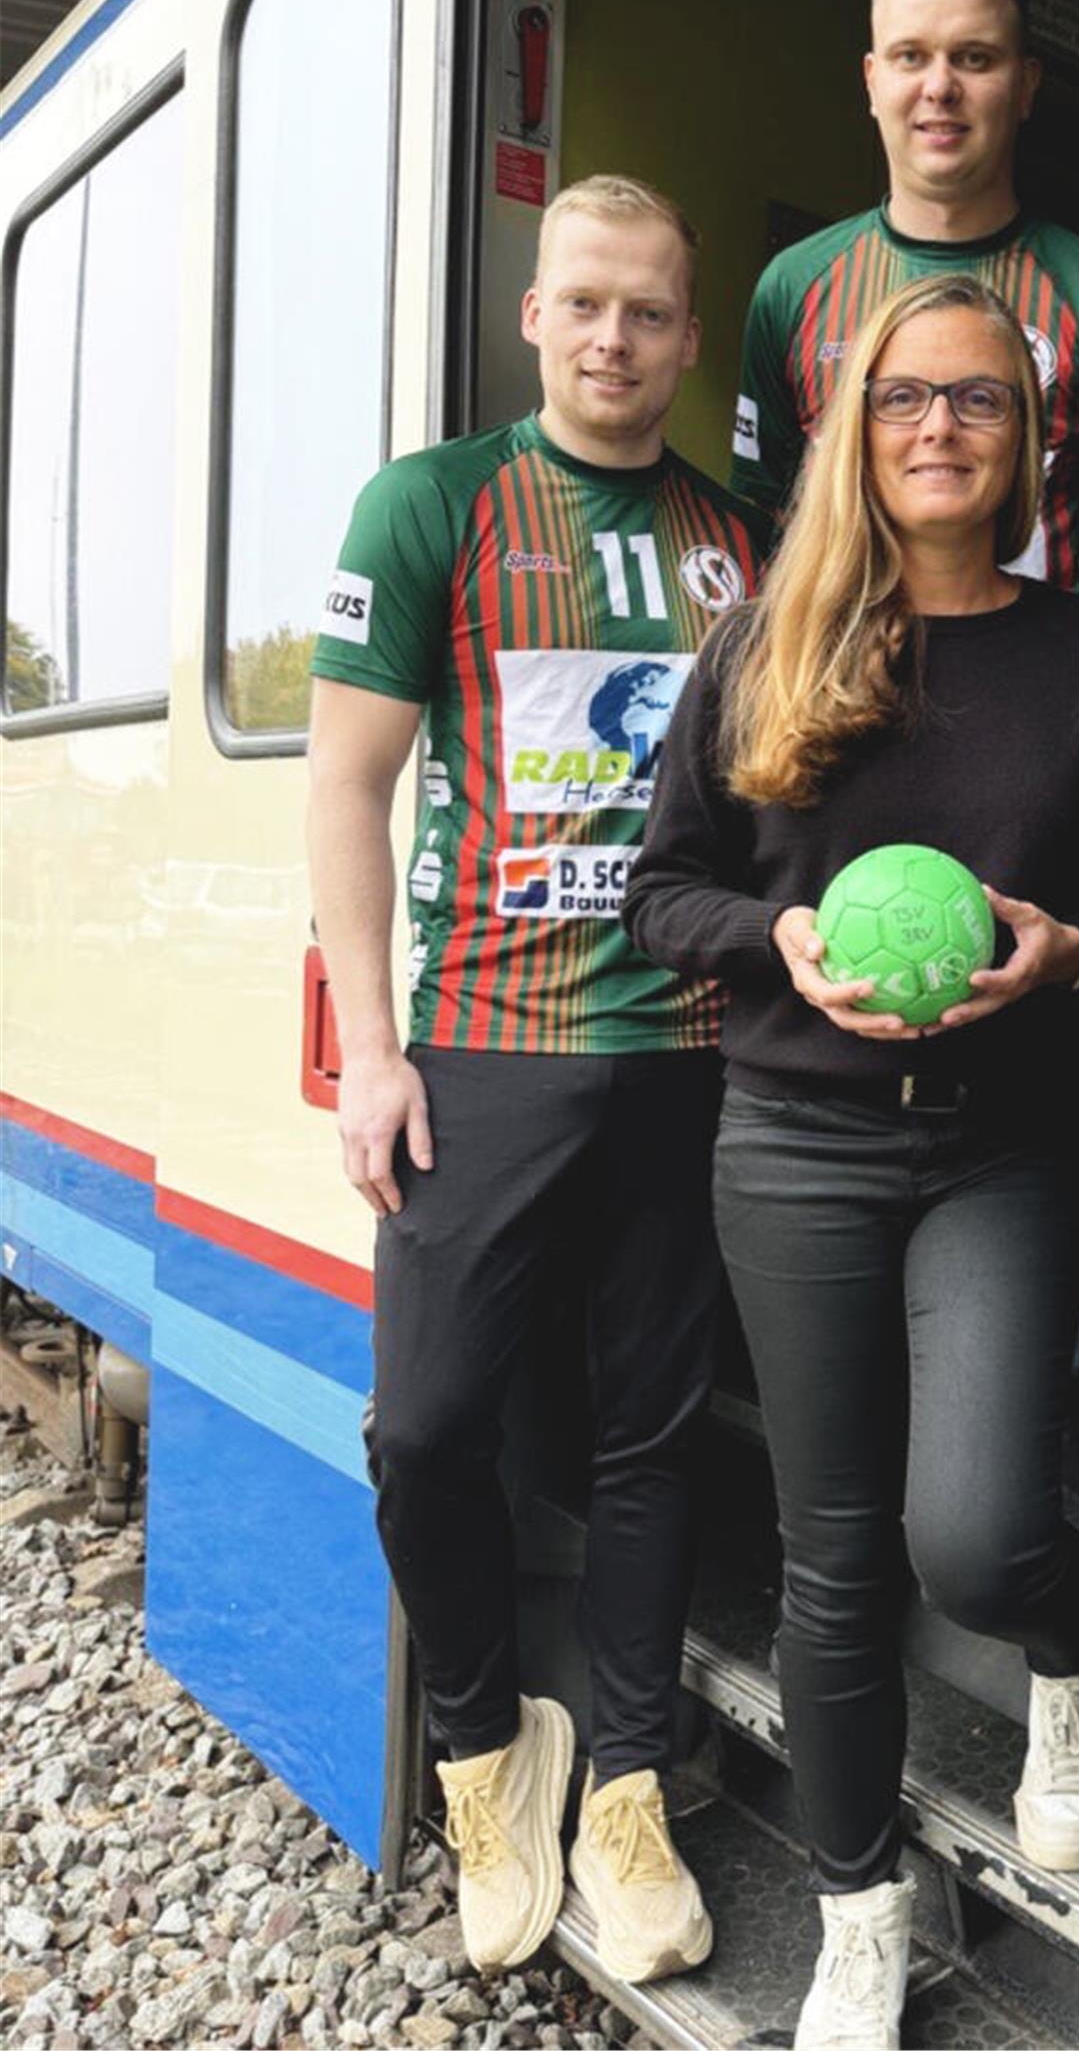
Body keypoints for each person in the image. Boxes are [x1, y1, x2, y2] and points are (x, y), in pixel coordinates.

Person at [629, 272, 1079, 2051]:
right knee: (831, 1557)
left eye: (981, 402)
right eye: (905, 397)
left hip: (1008, 1146)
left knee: (982, 1529)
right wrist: (774, 941)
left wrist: (1068, 951)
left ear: (1028, 446)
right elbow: (663, 892)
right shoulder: (768, 642)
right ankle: (861, 1907)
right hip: (791, 1147)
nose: (940, 426)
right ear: (857, 433)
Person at [307, 176, 771, 1984]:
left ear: (686, 330)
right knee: (425, 1435)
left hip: (687, 1051)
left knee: (650, 1445)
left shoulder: (741, 536)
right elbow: (349, 783)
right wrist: (368, 1050)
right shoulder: (437, 504)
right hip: (481, 1051)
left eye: (650, 312)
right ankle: (491, 1758)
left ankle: (634, 1790)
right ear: (532, 314)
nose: (613, 340)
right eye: (583, 303)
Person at [731, 0, 1079, 1487]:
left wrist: (1051, 736)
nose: (941, 88)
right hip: (849, 779)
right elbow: (759, 546)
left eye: (974, 58)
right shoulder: (796, 287)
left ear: (1024, 84)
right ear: (869, 82)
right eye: (912, 56)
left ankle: (1012, 1483)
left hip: (1036, 791)